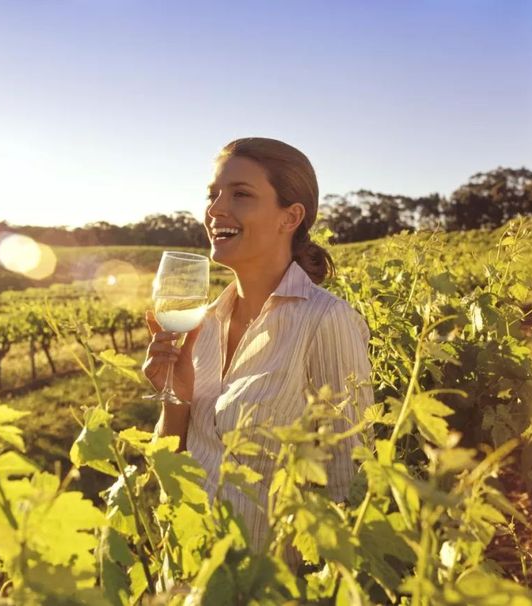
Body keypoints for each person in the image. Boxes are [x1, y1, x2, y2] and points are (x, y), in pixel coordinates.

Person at [142, 137, 375, 562]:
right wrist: (176, 398)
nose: (215, 210)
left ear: (291, 217)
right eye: (213, 195)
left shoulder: (326, 321)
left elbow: (347, 485)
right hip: (190, 576)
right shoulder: (204, 323)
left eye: (240, 195)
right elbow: (170, 471)